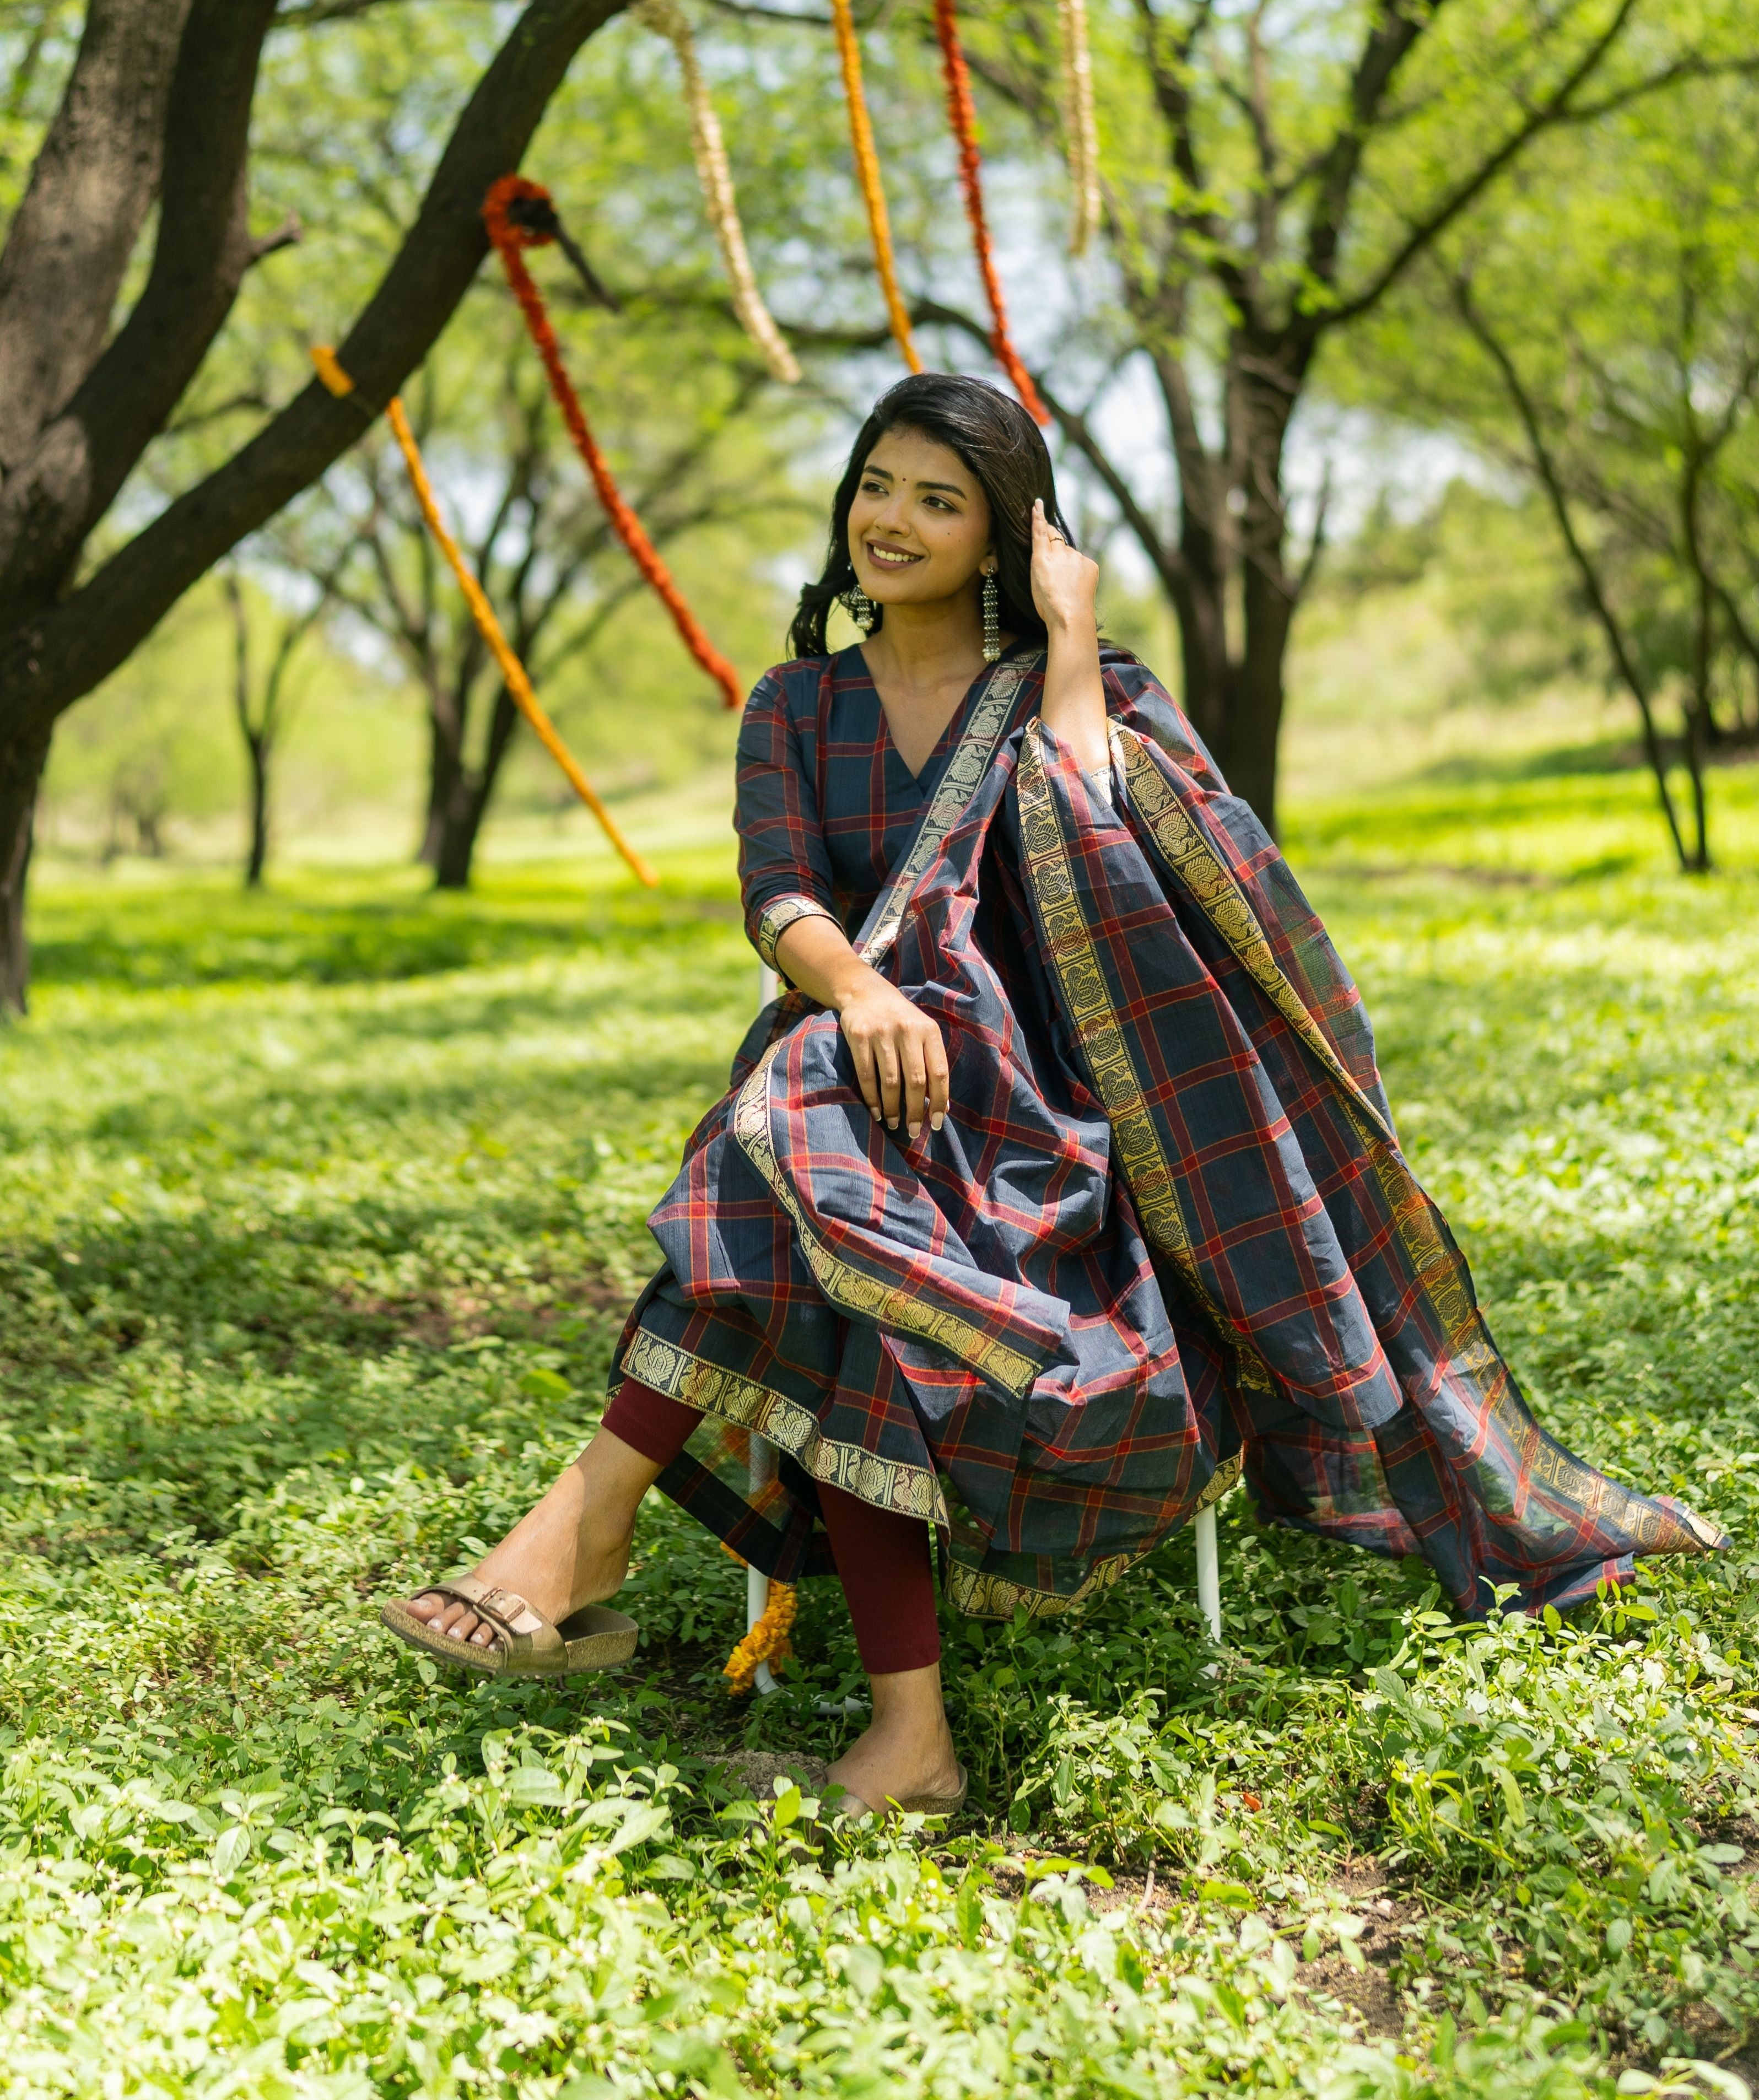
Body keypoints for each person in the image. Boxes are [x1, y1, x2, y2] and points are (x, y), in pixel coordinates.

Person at [383, 372, 1722, 1815]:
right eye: (877, 484)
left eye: (938, 500)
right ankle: (904, 1737)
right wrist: (867, 992)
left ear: (1005, 537)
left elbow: (1109, 855)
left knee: (793, 1158)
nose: (891, 519)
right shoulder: (798, 701)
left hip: (1040, 1128)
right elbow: (778, 894)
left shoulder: (1078, 690)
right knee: (819, 1150)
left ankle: (580, 1541)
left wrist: (1070, 638)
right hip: (850, 1079)